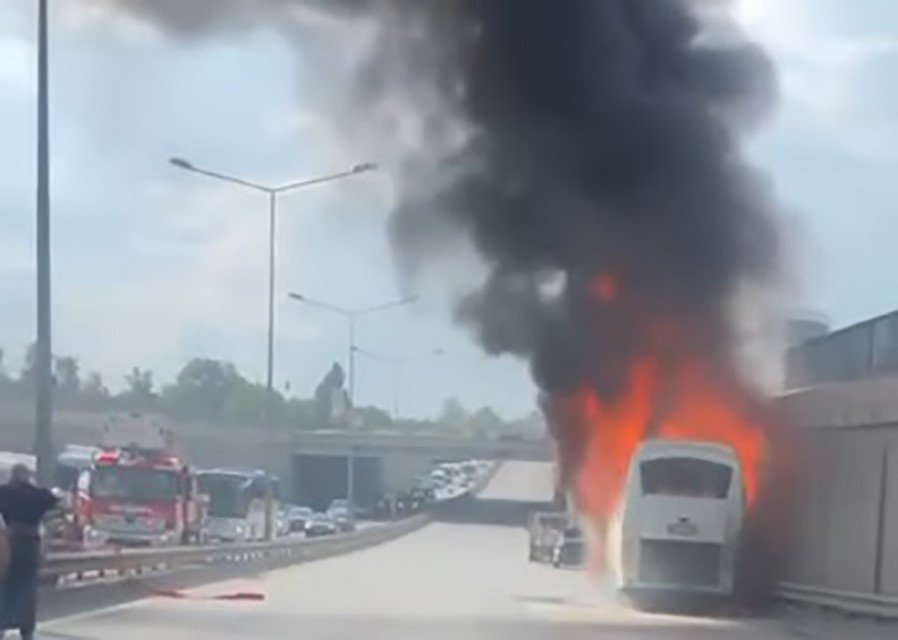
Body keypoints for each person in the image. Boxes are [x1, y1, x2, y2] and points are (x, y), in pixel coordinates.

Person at [0, 464, 57, 640]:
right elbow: (56, 503)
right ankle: (26, 628)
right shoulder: (39, 495)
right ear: (28, 476)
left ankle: (2, 623)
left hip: (8, 542)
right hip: (31, 544)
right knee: (28, 587)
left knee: (5, 586)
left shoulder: (3, 492)